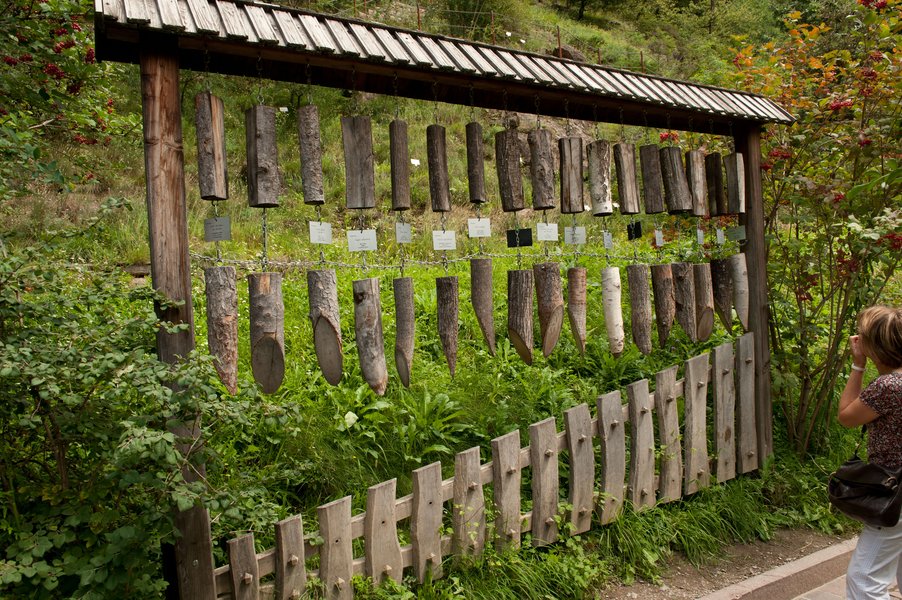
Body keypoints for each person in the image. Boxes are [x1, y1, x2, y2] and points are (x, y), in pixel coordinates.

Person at [837, 305, 902, 599]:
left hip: (895, 492)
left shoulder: (888, 386)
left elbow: (847, 417)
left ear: (875, 345)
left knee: (865, 579)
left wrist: (858, 365)